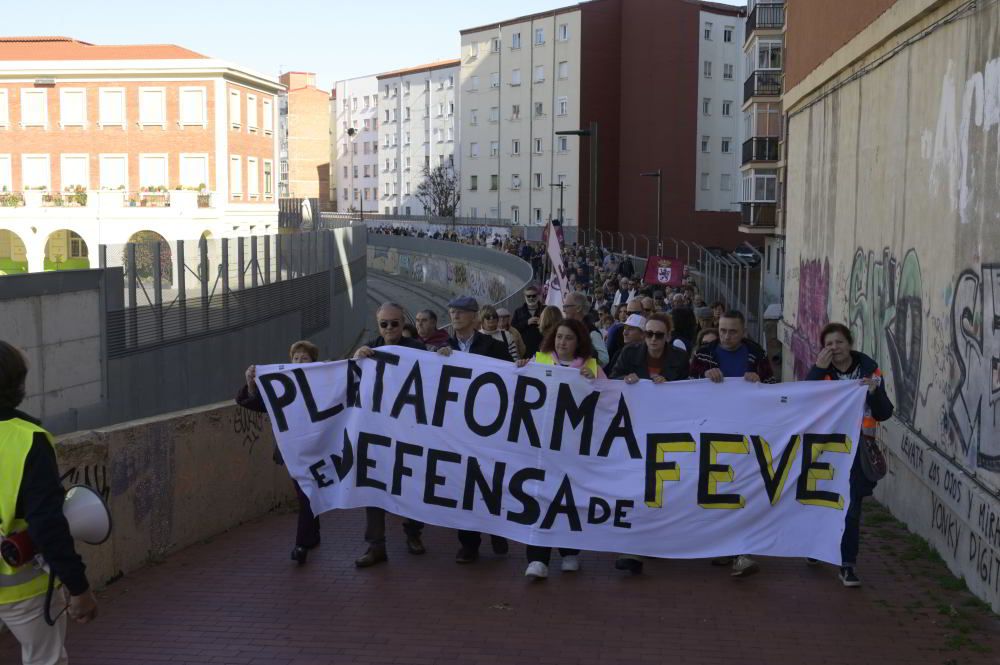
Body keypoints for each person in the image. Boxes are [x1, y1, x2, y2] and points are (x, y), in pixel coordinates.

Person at [0, 340, 98, 664]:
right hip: (21, 590)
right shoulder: (28, 439)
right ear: (17, 385)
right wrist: (78, 587)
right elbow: (47, 524)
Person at [514, 319, 605, 579]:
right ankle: (537, 558)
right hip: (541, 446)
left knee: (569, 499)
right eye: (559, 337)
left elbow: (609, 401)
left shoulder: (590, 366)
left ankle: (569, 552)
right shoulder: (539, 359)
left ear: (579, 343)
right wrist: (521, 367)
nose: (562, 342)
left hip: (572, 448)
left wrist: (595, 381)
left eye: (568, 338)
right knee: (540, 496)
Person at [806, 323, 894, 587]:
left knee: (852, 509)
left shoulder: (870, 371)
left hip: (857, 452)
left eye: (839, 342)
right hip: (826, 450)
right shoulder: (822, 373)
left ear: (850, 343)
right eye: (829, 344)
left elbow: (884, 412)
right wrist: (818, 369)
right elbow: (806, 400)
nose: (835, 348)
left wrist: (874, 391)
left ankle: (847, 564)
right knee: (821, 501)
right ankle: (817, 545)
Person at [690, 310, 773, 577]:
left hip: (747, 435)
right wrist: (704, 378)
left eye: (732, 331)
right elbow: (685, 386)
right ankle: (723, 546)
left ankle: (742, 551)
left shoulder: (757, 356)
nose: (726, 336)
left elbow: (773, 387)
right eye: (723, 330)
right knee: (716, 490)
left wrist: (759, 383)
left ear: (743, 332)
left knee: (743, 491)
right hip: (712, 433)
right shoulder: (704, 355)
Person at [352, 303, 429, 568]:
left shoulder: (418, 350)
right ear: (378, 325)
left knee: (410, 485)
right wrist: (357, 357)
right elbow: (350, 377)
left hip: (409, 432)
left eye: (394, 323)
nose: (389, 329)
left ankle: (413, 534)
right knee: (374, 489)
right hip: (378, 433)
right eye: (384, 324)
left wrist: (442, 356)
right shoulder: (370, 348)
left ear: (402, 323)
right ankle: (376, 546)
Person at [437, 296, 513, 564]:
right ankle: (468, 544)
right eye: (452, 311)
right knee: (463, 486)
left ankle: (496, 530)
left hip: (489, 428)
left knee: (491, 481)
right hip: (458, 429)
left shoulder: (492, 347)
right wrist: (439, 361)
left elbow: (511, 378)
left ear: (474, 317)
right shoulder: (443, 348)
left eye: (460, 312)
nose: (455, 316)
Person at [239, 341, 324, 565]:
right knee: (306, 493)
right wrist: (251, 384)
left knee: (307, 492)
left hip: (317, 448)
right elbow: (255, 403)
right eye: (295, 358)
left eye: (304, 358)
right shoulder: (282, 387)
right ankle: (310, 536)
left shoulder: (322, 384)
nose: (298, 362)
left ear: (313, 362)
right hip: (292, 451)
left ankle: (302, 543)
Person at [562, 292, 609, 367]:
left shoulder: (592, 332)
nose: (563, 310)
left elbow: (604, 359)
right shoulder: (566, 328)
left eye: (566, 306)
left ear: (578, 308)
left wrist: (586, 364)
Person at [606, 298, 644, 364]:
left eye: (635, 313)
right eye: (628, 313)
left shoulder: (650, 351)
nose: (625, 333)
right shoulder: (616, 330)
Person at [511, 285, 544, 357]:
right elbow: (513, 329)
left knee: (541, 367)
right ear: (525, 297)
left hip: (543, 349)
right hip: (524, 350)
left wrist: (543, 323)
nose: (531, 298)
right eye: (528, 296)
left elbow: (553, 326)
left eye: (533, 296)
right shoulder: (518, 311)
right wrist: (526, 323)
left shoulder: (545, 309)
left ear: (538, 296)